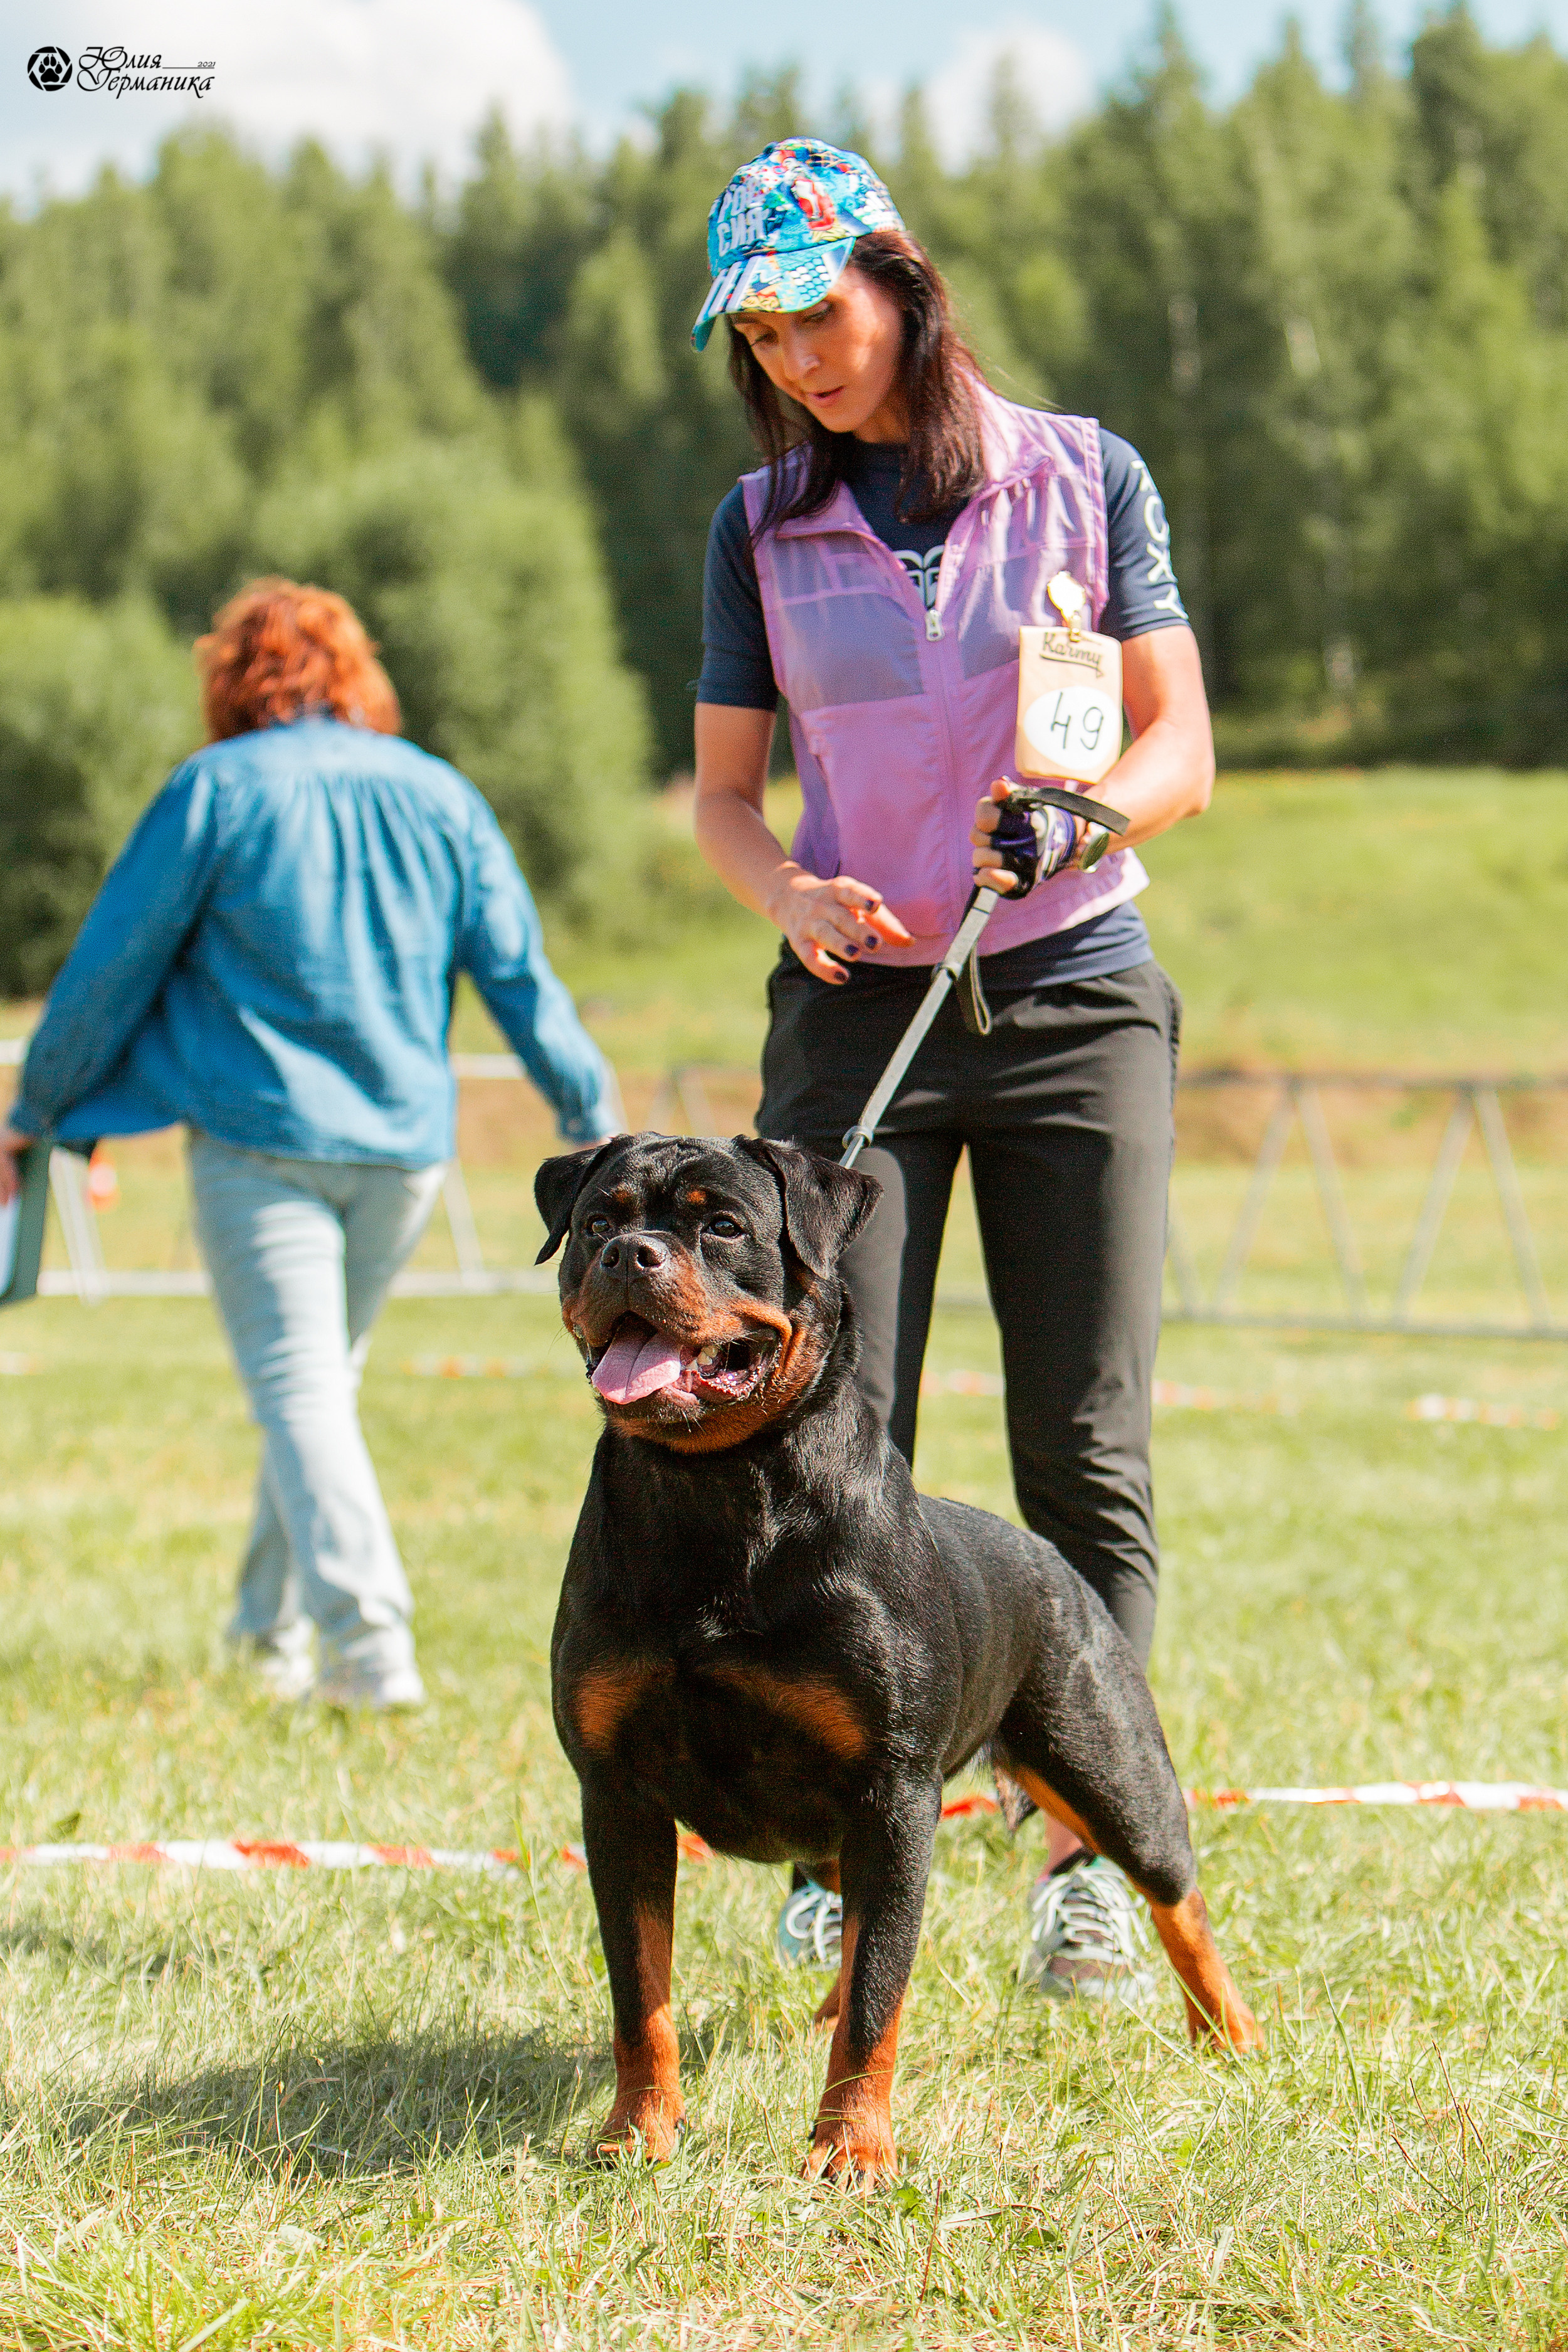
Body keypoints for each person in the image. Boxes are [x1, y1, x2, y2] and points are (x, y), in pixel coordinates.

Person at [690, 142, 1214, 2003]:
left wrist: (1080, 824)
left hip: (1070, 991)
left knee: (1081, 1444)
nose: (799, 360)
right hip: (858, 1024)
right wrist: (787, 887)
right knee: (839, 1434)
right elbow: (719, 797)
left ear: (898, 282)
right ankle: (848, 1850)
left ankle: (1086, 1852)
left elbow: (1177, 746)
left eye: (815, 312)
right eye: (760, 336)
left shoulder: (1088, 474)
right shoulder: (757, 527)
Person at [0, 580, 616, 1711]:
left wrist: (36, 1108)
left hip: (259, 1138)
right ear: (354, 674)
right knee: (317, 1384)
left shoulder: (215, 790)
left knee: (299, 1391)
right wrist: (590, 1111)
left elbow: (112, 963)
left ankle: (369, 1652)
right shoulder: (439, 793)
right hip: (404, 1149)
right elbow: (519, 974)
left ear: (232, 679)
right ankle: (261, 1637)